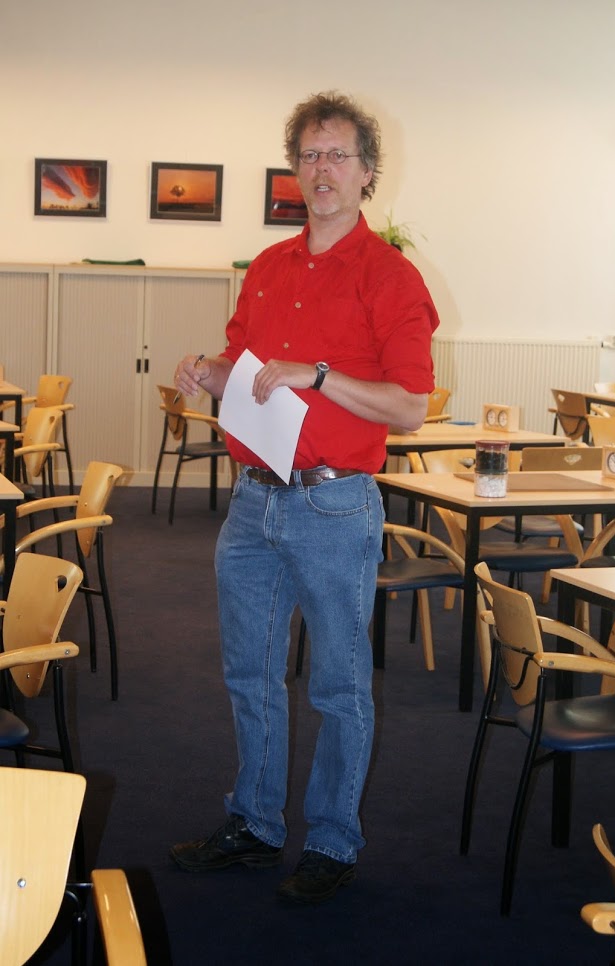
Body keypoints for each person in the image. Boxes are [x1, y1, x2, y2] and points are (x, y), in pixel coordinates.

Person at [170, 90, 439, 903]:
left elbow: (410, 408)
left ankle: (331, 841)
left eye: (338, 156)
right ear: (295, 170)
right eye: (310, 156)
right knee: (249, 674)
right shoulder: (268, 267)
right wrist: (209, 372)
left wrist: (318, 376)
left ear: (367, 174)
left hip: (334, 506)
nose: (323, 169)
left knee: (338, 686)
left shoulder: (391, 278)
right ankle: (255, 825)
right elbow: (242, 366)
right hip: (253, 502)